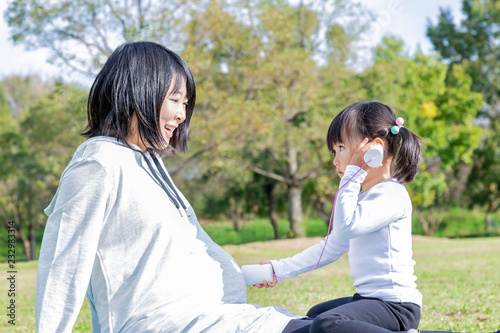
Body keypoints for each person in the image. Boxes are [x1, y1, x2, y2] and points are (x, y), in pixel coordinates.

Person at [35, 41, 308, 332]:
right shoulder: (98, 163)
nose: (182, 114)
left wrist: (243, 275)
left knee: (338, 321)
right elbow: (62, 268)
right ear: (140, 91)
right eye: (175, 99)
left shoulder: (146, 160)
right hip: (169, 325)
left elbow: (171, 256)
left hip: (216, 316)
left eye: (186, 103)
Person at [255, 101, 423, 333]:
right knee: (316, 315)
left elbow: (345, 228)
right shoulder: (364, 197)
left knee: (326, 324)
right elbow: (331, 246)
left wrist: (353, 174)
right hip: (370, 300)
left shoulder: (391, 193)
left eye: (341, 148)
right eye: (334, 151)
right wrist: (278, 270)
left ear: (375, 149)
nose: (335, 160)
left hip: (396, 307)